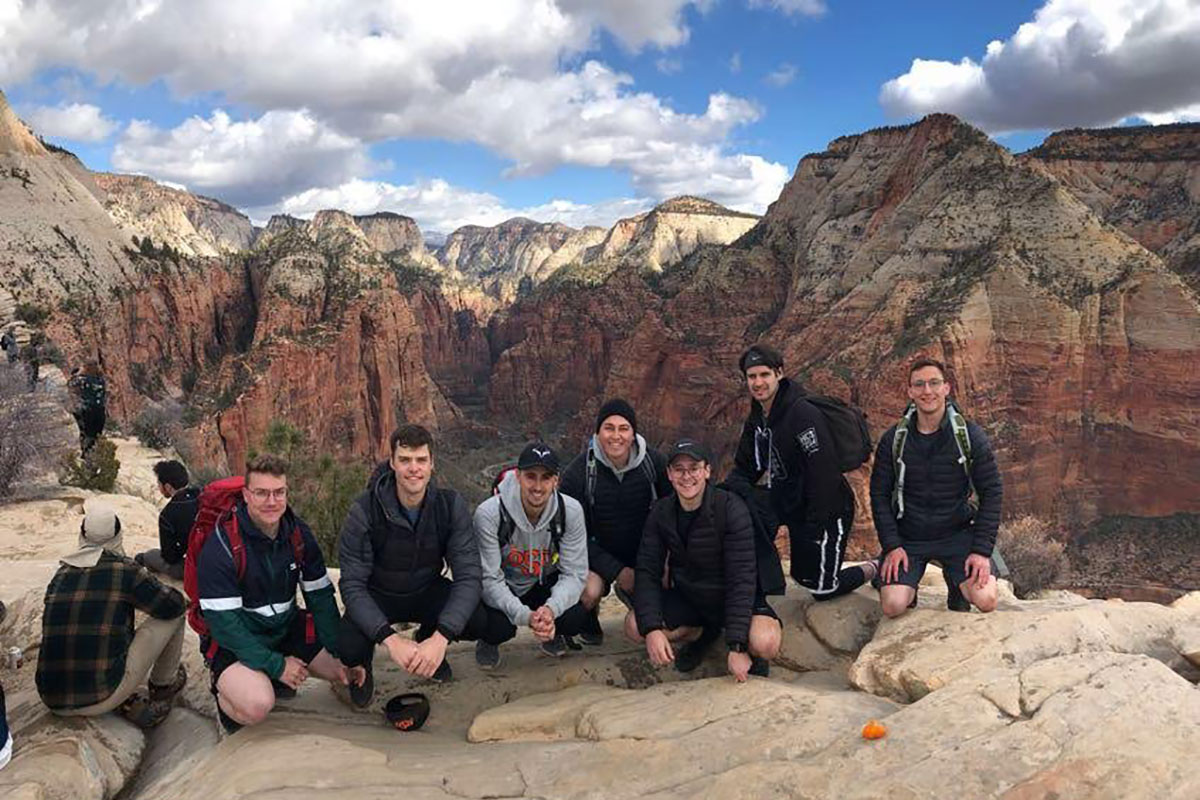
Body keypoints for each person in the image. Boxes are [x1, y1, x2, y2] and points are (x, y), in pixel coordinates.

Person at [195, 454, 363, 732]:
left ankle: (268, 672)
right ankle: (224, 691)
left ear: (286, 492)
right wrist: (276, 666)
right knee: (258, 704)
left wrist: (341, 652)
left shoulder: (297, 534)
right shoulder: (223, 546)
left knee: (342, 671)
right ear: (246, 495)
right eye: (261, 493)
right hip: (237, 641)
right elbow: (226, 628)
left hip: (284, 628)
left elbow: (319, 596)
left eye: (278, 492)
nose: (271, 502)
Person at [337, 425, 486, 706]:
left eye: (420, 460)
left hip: (426, 590)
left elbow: (469, 577)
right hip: (379, 594)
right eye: (405, 460)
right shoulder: (365, 510)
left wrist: (441, 638)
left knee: (480, 619)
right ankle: (363, 666)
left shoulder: (449, 506)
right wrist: (391, 641)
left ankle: (427, 642)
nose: (413, 468)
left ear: (432, 463)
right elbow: (352, 585)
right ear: (392, 462)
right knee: (347, 646)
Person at [727, 345, 875, 601]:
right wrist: (723, 498)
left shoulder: (802, 413)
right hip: (789, 504)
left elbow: (824, 473)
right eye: (752, 377)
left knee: (821, 589)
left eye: (764, 375)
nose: (758, 383)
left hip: (827, 511)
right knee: (738, 510)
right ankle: (752, 583)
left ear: (779, 374)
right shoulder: (759, 417)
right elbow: (746, 466)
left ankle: (876, 566)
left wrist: (814, 525)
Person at [629, 440, 781, 680]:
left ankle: (749, 651)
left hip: (733, 595)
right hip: (692, 595)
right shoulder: (661, 513)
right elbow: (648, 570)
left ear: (707, 471)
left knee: (765, 642)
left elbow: (741, 578)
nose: (686, 476)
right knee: (636, 626)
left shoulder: (730, 508)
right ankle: (701, 634)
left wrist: (738, 646)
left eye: (694, 468)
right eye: (679, 469)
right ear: (669, 474)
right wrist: (652, 630)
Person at [869, 358, 1003, 617]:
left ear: (946, 388)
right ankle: (905, 585)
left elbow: (992, 492)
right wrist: (892, 544)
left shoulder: (969, 436)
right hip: (909, 536)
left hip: (958, 534)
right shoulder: (894, 439)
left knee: (986, 600)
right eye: (919, 385)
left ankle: (957, 584)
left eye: (934, 383)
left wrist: (981, 552)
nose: (927, 391)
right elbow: (879, 495)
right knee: (893, 605)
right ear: (909, 392)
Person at [35, 501, 188, 728]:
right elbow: (172, 605)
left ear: (82, 535)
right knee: (176, 613)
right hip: (100, 695)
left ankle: (123, 697)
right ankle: (163, 686)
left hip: (51, 697)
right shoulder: (125, 570)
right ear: (118, 534)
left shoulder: (61, 574)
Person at [560, 398, 671, 646]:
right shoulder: (578, 474)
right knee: (586, 590)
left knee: (663, 594)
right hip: (596, 555)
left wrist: (660, 561)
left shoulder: (654, 464)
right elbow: (570, 538)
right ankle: (587, 618)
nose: (616, 436)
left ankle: (635, 594)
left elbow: (674, 516)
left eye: (624, 428)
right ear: (598, 433)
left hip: (643, 554)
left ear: (633, 434)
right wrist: (617, 572)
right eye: (609, 428)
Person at [474, 442, 589, 668]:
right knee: (495, 626)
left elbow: (574, 573)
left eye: (546, 477)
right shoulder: (489, 514)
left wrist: (550, 610)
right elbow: (489, 579)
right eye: (530, 476)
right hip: (505, 585)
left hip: (542, 582)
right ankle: (488, 641)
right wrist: (524, 616)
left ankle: (551, 629)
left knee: (575, 617)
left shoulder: (570, 511)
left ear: (556, 480)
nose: (537, 486)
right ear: (518, 476)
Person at [135, 460, 200, 581]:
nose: (158, 487)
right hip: (223, 558)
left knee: (150, 556)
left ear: (168, 487)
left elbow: (170, 557)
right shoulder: (201, 495)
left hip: (199, 568)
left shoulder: (167, 514)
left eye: (159, 484)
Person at [67, 361, 107, 453]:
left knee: (85, 433)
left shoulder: (81, 380)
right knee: (96, 435)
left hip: (86, 410)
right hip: (100, 410)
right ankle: (96, 454)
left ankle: (86, 454)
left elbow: (70, 384)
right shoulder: (101, 380)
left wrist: (76, 373)